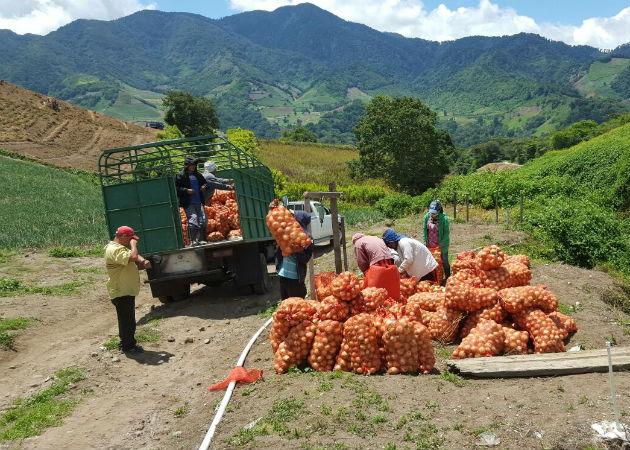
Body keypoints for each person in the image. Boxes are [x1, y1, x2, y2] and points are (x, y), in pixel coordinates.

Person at [104, 225, 151, 354]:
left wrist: (143, 260)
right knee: (127, 321)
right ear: (123, 237)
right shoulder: (114, 250)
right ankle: (128, 346)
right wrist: (134, 245)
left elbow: (133, 257)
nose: (132, 241)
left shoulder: (119, 249)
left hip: (124, 290)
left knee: (127, 320)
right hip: (121, 291)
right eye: (130, 238)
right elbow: (132, 257)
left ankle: (126, 343)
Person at [275, 211, 314, 299]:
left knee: (298, 306)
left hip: (295, 278)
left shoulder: (308, 238)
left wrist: (298, 251)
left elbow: (306, 259)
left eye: (294, 218)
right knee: (286, 306)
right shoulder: (287, 233)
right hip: (283, 275)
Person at [175, 155, 211, 246]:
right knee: (193, 219)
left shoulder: (197, 175)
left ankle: (201, 239)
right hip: (189, 202)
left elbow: (205, 184)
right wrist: (186, 191)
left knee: (202, 220)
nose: (193, 166)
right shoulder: (180, 175)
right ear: (187, 165)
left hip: (198, 201)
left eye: (194, 165)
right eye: (191, 165)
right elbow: (176, 188)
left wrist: (204, 187)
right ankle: (193, 240)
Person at [422, 200, 451, 280]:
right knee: (432, 262)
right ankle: (435, 278)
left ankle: (448, 277)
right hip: (430, 243)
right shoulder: (427, 217)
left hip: (441, 245)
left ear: (439, 211)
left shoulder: (444, 219)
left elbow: (446, 233)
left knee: (444, 261)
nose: (432, 214)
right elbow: (424, 229)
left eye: (434, 213)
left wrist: (441, 244)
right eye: (431, 212)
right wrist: (425, 240)